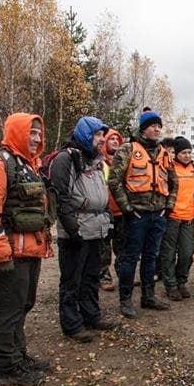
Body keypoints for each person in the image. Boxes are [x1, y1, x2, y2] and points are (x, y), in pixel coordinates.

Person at [0, 114, 53, 386]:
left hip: (30, 251)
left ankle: (19, 355)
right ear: (17, 132)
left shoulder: (28, 165)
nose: (37, 138)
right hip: (11, 253)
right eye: (31, 133)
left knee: (23, 305)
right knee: (8, 308)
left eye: (39, 134)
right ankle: (7, 367)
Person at [49, 116, 116, 342]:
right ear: (85, 135)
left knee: (91, 277)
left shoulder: (98, 161)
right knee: (72, 279)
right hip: (76, 231)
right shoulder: (65, 159)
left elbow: (102, 193)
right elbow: (62, 198)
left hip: (96, 228)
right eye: (97, 135)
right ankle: (71, 324)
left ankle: (91, 315)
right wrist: (73, 229)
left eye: (102, 136)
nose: (101, 140)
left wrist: (108, 221)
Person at [108, 110, 178, 318]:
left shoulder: (164, 154)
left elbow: (174, 183)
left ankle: (148, 297)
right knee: (130, 258)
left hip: (158, 215)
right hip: (136, 216)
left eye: (159, 126)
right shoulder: (128, 150)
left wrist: (169, 207)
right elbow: (114, 181)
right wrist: (127, 209)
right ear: (143, 128)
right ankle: (125, 300)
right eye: (153, 125)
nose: (157, 129)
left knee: (151, 257)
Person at [159, 136, 194, 300]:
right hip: (172, 218)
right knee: (168, 254)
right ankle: (171, 285)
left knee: (187, 253)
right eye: (183, 152)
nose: (187, 155)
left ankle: (181, 281)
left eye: (189, 152)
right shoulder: (169, 168)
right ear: (176, 153)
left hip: (189, 218)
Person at [99, 129, 124, 292]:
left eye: (117, 139)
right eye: (111, 139)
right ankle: (103, 275)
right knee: (104, 248)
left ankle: (123, 274)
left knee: (122, 247)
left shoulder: (123, 161)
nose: (115, 141)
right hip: (104, 211)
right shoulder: (99, 163)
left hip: (122, 211)